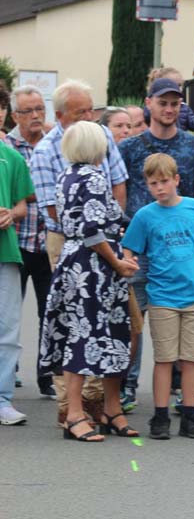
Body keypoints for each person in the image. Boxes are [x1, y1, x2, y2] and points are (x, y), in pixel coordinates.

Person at [31, 81, 130, 419]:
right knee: (88, 328)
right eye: (81, 112)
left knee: (82, 327)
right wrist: (116, 255)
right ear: (60, 115)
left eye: (91, 110)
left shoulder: (71, 172)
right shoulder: (48, 153)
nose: (90, 117)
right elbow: (71, 220)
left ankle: (96, 405)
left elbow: (119, 186)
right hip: (87, 252)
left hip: (86, 248)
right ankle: (72, 410)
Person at [119, 76, 194, 407]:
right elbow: (118, 196)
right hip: (139, 249)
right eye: (163, 103)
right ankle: (126, 384)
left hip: (180, 249)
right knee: (134, 322)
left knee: (180, 316)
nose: (169, 109)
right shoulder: (129, 148)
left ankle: (178, 390)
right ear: (149, 104)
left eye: (175, 104)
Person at [39, 122, 140, 441]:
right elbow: (93, 231)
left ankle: (110, 410)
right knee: (91, 334)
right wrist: (118, 262)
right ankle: (75, 414)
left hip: (77, 262)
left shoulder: (66, 175)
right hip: (94, 267)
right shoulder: (94, 177)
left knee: (101, 333)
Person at [121, 154, 194, 440]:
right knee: (164, 358)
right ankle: (160, 415)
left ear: (177, 180)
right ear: (147, 185)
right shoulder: (145, 215)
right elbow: (130, 247)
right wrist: (129, 262)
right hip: (162, 295)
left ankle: (190, 415)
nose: (160, 188)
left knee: (191, 358)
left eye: (164, 181)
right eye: (153, 183)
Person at [5, 86, 54, 399]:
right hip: (16, 243)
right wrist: (35, 190)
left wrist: (31, 189)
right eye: (28, 111)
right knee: (7, 316)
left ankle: (47, 376)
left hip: (48, 243)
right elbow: (23, 193)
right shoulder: (5, 147)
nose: (36, 116)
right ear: (14, 116)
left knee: (50, 313)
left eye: (40, 109)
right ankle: (8, 375)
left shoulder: (53, 142)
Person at [0, 132, 33, 425]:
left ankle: (2, 400)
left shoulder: (11, 156)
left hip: (6, 252)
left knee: (7, 331)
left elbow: (23, 205)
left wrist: (11, 214)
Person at [143, 68, 194, 133]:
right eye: (173, 83)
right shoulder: (153, 106)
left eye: (180, 85)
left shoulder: (185, 107)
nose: (178, 88)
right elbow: (145, 118)